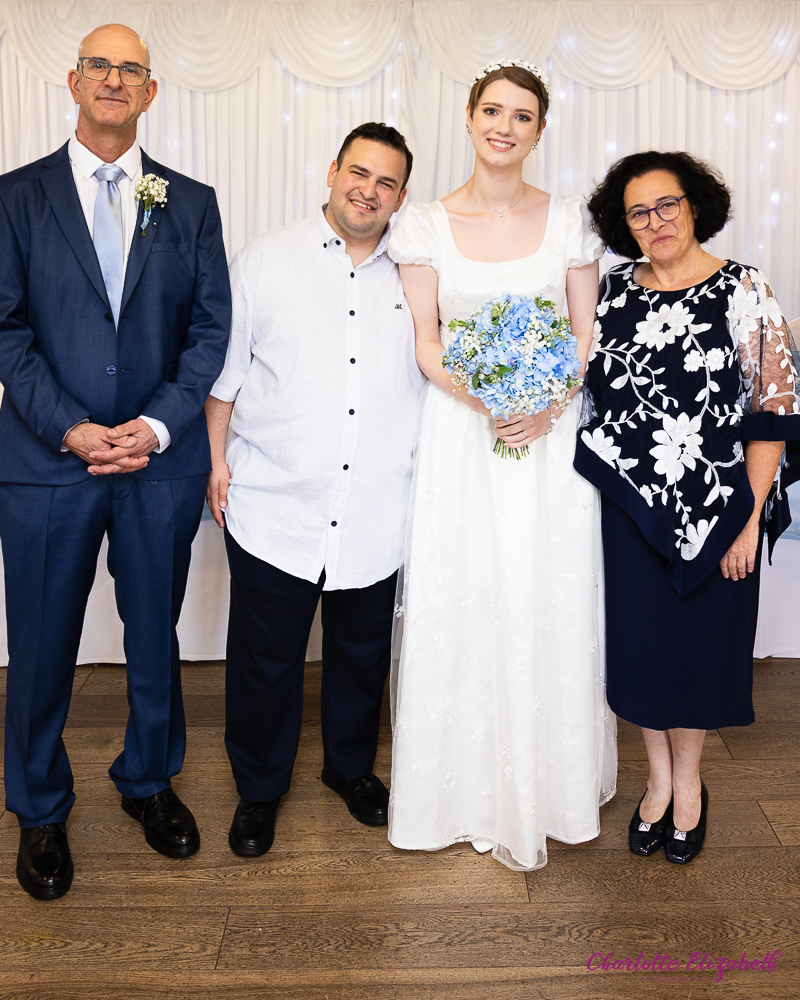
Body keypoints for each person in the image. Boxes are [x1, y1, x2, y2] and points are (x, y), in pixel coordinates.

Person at [0, 24, 231, 900]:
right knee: (42, 645)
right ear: (73, 81)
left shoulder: (191, 202)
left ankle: (147, 781)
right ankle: (39, 807)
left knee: (152, 637)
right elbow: (6, 328)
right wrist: (69, 428)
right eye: (99, 64)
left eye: (130, 68)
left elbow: (210, 330)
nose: (113, 79)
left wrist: (159, 425)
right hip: (44, 463)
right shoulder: (14, 198)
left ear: (150, 92)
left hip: (154, 464)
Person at [387, 61, 617, 872]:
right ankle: (456, 790)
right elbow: (426, 339)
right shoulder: (421, 223)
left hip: (549, 440)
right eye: (493, 110)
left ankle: (548, 786)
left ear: (540, 130)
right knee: (468, 589)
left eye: (523, 115)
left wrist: (549, 404)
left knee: (541, 590)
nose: (505, 126)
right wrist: (485, 396)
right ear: (470, 115)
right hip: (464, 437)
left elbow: (588, 336)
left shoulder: (571, 225)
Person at [205, 123, 425, 857]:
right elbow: (227, 377)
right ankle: (259, 789)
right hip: (274, 501)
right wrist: (215, 463)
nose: (369, 190)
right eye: (358, 173)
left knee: (362, 653)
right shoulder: (265, 260)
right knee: (265, 660)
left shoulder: (419, 273)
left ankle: (350, 770)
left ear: (401, 195)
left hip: (377, 507)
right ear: (332, 172)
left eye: (386, 181)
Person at [577, 150, 800, 863]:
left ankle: (691, 786)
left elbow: (773, 407)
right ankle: (656, 782)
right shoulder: (609, 290)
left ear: (695, 204)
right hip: (628, 507)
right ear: (624, 224)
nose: (656, 222)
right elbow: (577, 387)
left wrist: (749, 516)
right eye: (639, 212)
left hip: (720, 506)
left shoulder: (744, 289)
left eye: (667, 204)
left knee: (699, 652)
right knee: (641, 652)